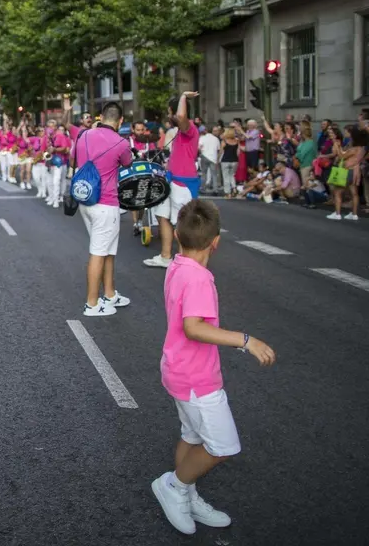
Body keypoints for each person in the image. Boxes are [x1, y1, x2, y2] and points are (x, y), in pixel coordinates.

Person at [151, 200, 275, 535]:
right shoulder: (199, 279)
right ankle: (174, 486)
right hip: (197, 378)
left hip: (178, 369)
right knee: (223, 445)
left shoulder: (177, 266)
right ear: (215, 241)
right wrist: (245, 340)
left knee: (192, 436)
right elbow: (194, 327)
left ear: (177, 236)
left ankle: (186, 493)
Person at [75, 102, 133, 317]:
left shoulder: (84, 136)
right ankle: (91, 304)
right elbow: (128, 164)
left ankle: (109, 294)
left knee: (107, 249)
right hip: (106, 203)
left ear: (100, 116)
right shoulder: (121, 142)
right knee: (99, 252)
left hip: (85, 198)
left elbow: (77, 157)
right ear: (120, 121)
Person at [145, 92, 201, 269]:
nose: (169, 116)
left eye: (171, 112)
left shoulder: (189, 128)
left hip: (183, 183)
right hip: (171, 180)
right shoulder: (178, 132)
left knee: (182, 224)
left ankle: (187, 261)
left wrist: (183, 96)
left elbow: (182, 116)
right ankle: (165, 256)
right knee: (162, 216)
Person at [198, 126, 222, 195]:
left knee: (204, 174)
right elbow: (218, 149)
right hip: (213, 158)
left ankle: (203, 188)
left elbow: (199, 147)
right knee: (214, 174)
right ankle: (215, 190)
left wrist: (201, 152)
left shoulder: (202, 138)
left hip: (204, 156)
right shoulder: (216, 139)